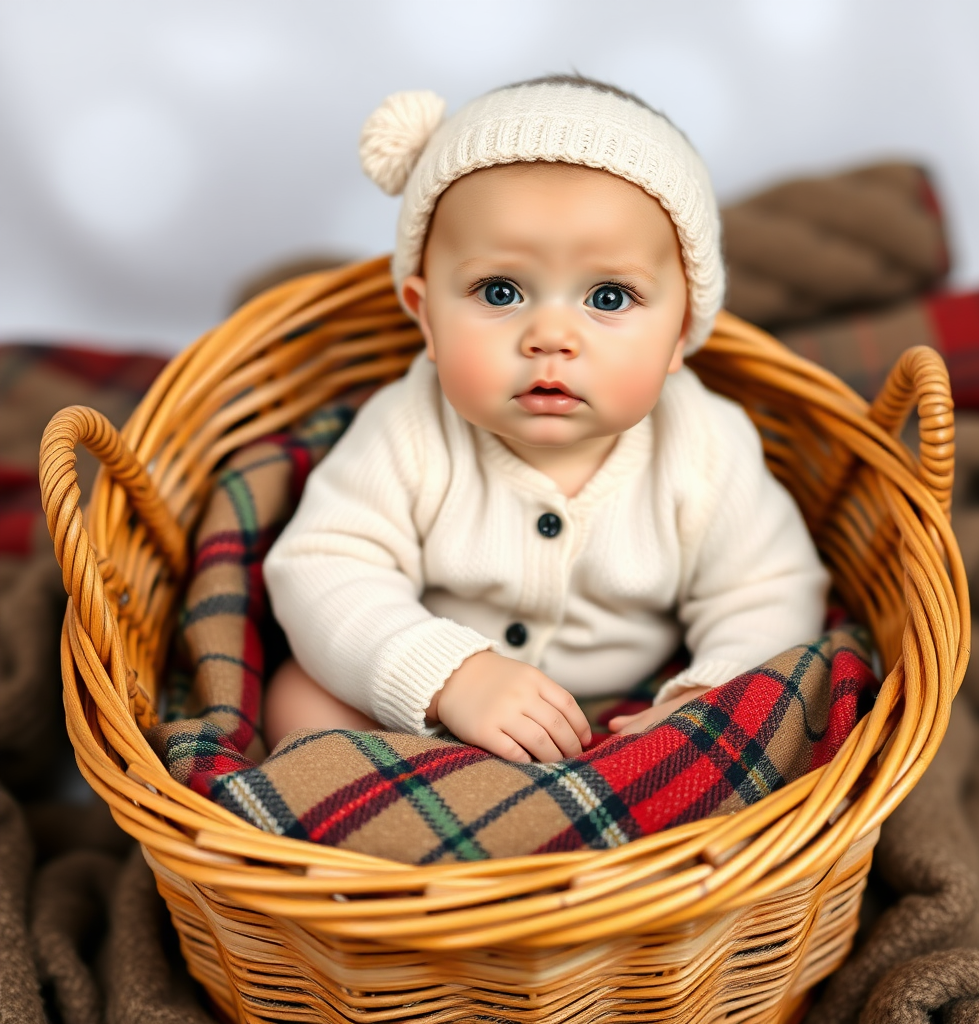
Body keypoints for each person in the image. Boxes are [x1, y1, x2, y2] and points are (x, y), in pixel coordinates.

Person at [262, 75, 829, 762]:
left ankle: (560, 818)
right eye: (500, 291)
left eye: (610, 296)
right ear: (426, 318)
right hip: (431, 709)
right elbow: (324, 566)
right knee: (299, 698)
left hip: (633, 712)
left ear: (679, 333)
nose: (551, 336)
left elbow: (768, 589)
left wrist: (701, 697)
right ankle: (426, 817)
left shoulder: (705, 445)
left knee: (745, 732)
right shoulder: (408, 428)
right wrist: (445, 674)